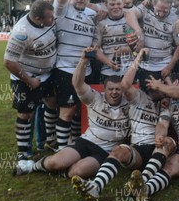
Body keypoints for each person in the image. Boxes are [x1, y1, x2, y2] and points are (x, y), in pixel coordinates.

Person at [71, 49, 176, 201]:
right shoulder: (138, 98)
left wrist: (159, 136)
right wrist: (139, 57)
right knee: (119, 150)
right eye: (158, 86)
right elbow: (125, 84)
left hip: (157, 148)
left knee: (168, 142)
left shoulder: (166, 105)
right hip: (138, 149)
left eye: (163, 88)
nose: (162, 90)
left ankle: (141, 183)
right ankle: (96, 186)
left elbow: (163, 123)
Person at [13, 47, 130, 178]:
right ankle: (32, 166)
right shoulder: (95, 97)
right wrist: (83, 60)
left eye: (118, 89)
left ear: (123, 90)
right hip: (86, 142)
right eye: (111, 89)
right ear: (105, 89)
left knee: (78, 172)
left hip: (105, 151)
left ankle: (65, 170)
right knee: (54, 162)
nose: (114, 92)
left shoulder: (130, 105)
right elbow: (77, 83)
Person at [51, 0, 98, 151]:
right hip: (66, 71)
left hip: (86, 71)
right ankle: (62, 151)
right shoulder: (62, 9)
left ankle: (77, 146)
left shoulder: (92, 14)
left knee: (81, 111)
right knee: (67, 112)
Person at [4, 0, 57, 160]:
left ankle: (51, 141)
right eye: (49, 17)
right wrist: (29, 80)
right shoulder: (22, 32)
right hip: (26, 77)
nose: (53, 19)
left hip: (47, 75)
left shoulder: (46, 19)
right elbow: (9, 62)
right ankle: (23, 151)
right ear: (38, 19)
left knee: (52, 104)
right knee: (25, 114)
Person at [134, 0, 179, 86]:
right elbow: (129, 14)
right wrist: (138, 31)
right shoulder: (145, 10)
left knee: (166, 96)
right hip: (145, 64)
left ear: (171, 7)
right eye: (158, 10)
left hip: (165, 64)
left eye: (165, 11)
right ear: (153, 3)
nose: (161, 14)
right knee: (147, 97)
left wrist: (169, 67)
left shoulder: (175, 19)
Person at [93, 0, 138, 80]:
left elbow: (136, 48)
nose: (116, 7)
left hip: (129, 70)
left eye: (118, 4)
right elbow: (95, 49)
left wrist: (124, 50)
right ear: (106, 5)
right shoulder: (101, 24)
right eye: (112, 4)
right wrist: (109, 63)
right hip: (107, 71)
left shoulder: (129, 20)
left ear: (123, 4)